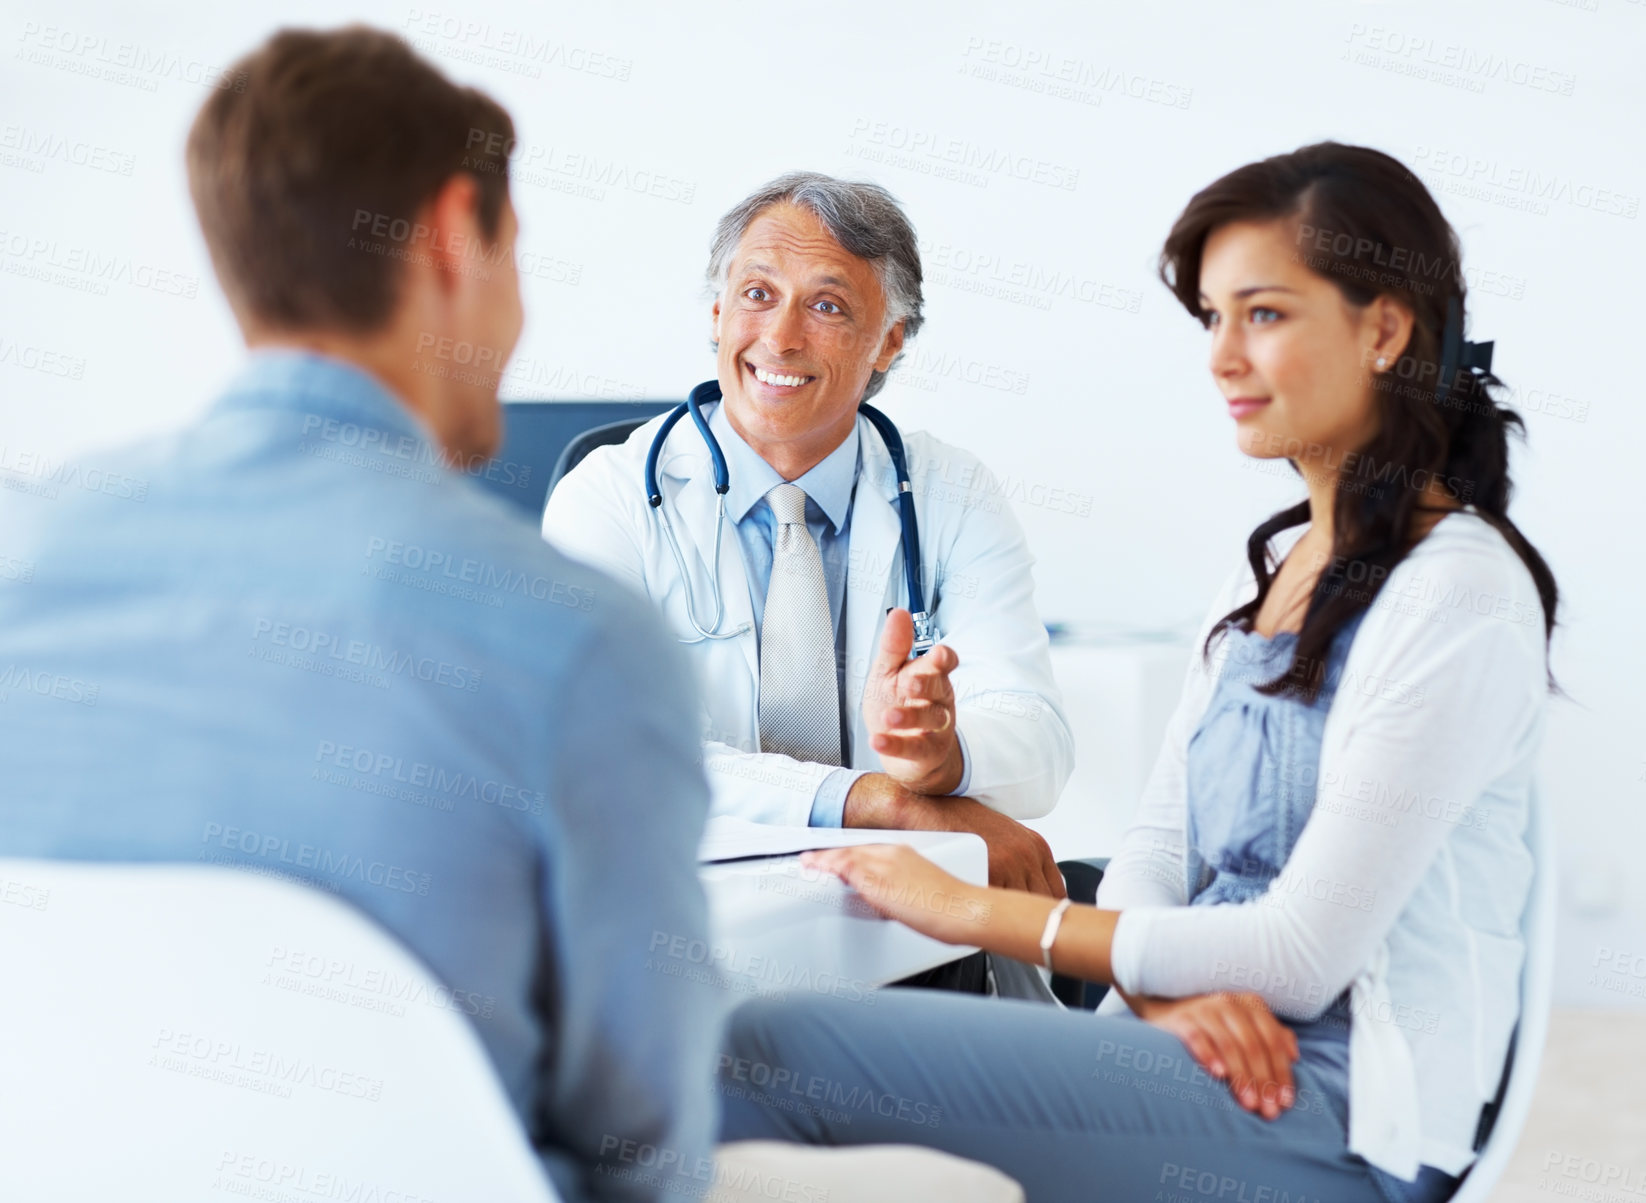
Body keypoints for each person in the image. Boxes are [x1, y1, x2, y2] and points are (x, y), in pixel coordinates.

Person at [717, 142, 1560, 1203]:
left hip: (1339, 1107)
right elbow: (1157, 853)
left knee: (762, 1048)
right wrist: (1158, 998)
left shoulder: (1459, 593)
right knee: (745, 1051)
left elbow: (1296, 957)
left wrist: (969, 911)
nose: (1219, 358)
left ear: (1382, 329)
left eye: (1261, 314)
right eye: (1211, 319)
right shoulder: (1260, 573)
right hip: (1196, 1042)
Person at [0, 28, 721, 1203]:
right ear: (448, 235)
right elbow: (646, 1154)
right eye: (514, 254)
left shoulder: (21, 559)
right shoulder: (576, 641)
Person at [543, 172, 1073, 905]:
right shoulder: (606, 499)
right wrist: (886, 801)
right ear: (718, 310)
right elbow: (625, 752)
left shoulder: (950, 491)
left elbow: (1038, 739)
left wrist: (941, 756)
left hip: (913, 931)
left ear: (887, 341)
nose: (781, 338)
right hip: (694, 918)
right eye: (758, 294)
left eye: (826, 305)